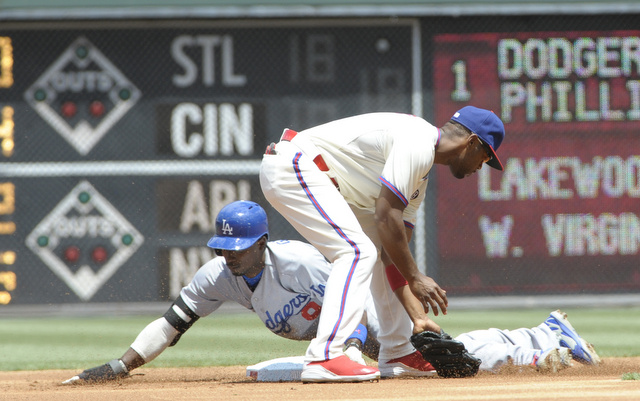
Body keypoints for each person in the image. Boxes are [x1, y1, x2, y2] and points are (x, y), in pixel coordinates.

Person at [63, 200, 434, 384]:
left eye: (238, 246)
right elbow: (171, 324)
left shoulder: (299, 262)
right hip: (331, 337)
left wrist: (351, 349)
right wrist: (121, 365)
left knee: (410, 357)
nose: (229, 254)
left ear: (262, 243)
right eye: (223, 246)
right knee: (392, 365)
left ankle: (489, 343)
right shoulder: (217, 275)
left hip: (364, 319)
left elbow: (355, 309)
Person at [260, 106, 506, 382]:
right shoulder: (418, 140)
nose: (483, 164)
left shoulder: (417, 176)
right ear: (471, 141)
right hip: (295, 165)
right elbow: (387, 215)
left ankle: (398, 350)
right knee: (357, 252)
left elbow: (392, 253)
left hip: (317, 177)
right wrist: (416, 277)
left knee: (374, 250)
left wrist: (418, 318)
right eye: (486, 154)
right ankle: (325, 355)